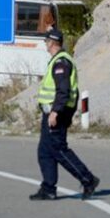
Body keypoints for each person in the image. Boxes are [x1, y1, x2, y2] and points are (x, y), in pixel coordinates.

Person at [30, 28, 100, 201]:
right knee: (45, 151)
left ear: (52, 43)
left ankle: (88, 179)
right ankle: (48, 189)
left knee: (58, 150)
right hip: (51, 112)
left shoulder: (61, 62)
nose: (45, 44)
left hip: (57, 113)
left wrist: (55, 112)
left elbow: (63, 90)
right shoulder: (57, 60)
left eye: (46, 41)